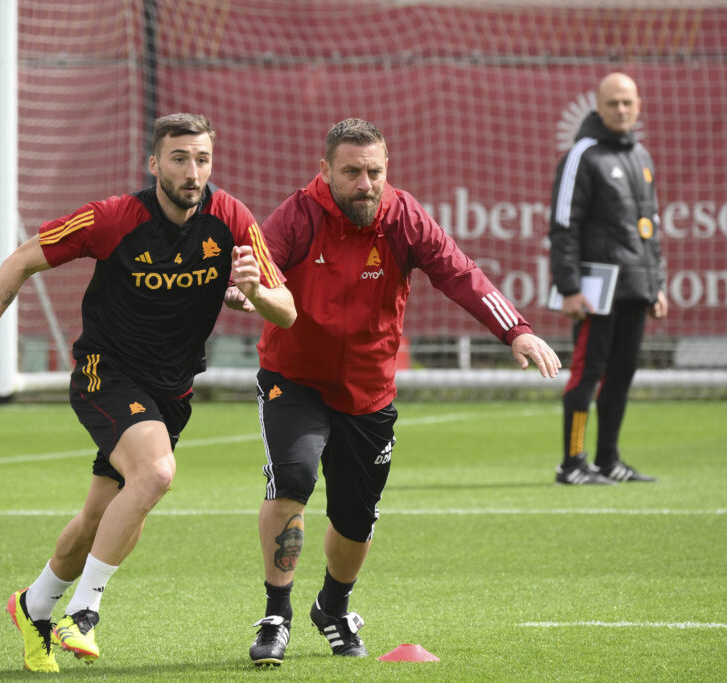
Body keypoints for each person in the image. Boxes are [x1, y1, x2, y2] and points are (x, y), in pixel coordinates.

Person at [0, 113, 296, 673]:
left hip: (172, 390)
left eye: (202, 158)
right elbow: (20, 260)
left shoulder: (230, 218)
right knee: (156, 474)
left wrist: (254, 293)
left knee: (101, 521)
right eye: (179, 158)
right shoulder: (113, 218)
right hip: (103, 373)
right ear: (154, 164)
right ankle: (83, 613)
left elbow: (289, 310)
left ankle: (34, 605)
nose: (192, 170)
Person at [224, 118, 562, 667]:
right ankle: (276, 615)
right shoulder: (297, 215)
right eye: (352, 172)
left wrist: (516, 330)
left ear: (388, 170)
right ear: (325, 171)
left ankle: (333, 608)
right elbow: (258, 277)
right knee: (293, 478)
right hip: (295, 379)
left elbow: (460, 273)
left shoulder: (402, 216)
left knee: (356, 517)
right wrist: (244, 297)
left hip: (369, 390)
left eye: (375, 172)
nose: (365, 183)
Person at [549, 72, 667, 485]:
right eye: (613, 103)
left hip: (637, 288)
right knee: (587, 374)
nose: (621, 110)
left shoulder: (641, 156)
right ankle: (572, 463)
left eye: (628, 103)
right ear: (598, 107)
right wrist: (569, 287)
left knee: (620, 376)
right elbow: (564, 225)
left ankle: (608, 459)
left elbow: (649, 225)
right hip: (596, 291)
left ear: (638, 106)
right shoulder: (582, 154)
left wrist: (658, 284)